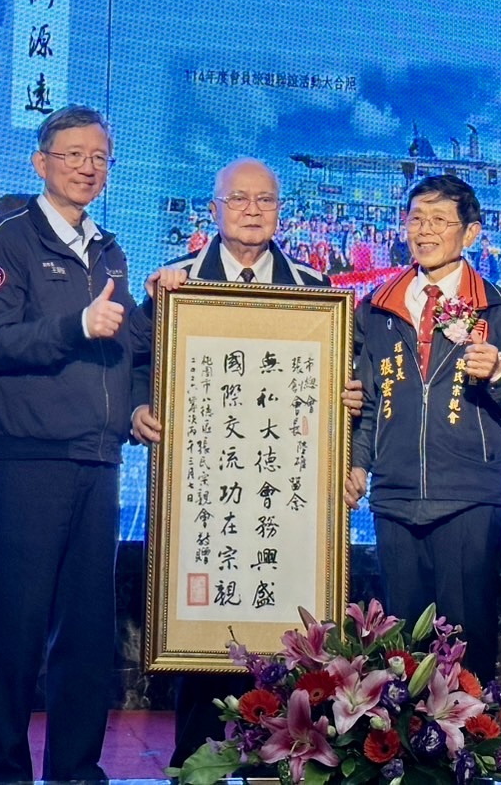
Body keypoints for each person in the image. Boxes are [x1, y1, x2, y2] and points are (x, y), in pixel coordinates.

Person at [0, 105, 151, 782]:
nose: (87, 167)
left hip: (97, 460)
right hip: (29, 460)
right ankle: (4, 773)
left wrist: (158, 311)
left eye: (99, 157)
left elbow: (128, 345)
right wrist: (77, 325)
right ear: (39, 162)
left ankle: (76, 769)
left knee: (85, 632)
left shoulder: (108, 249)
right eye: (73, 155)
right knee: (14, 631)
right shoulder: (7, 241)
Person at [131, 157, 329, 768]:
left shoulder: (313, 288)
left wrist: (343, 401)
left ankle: (282, 767)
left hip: (281, 489)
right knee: (203, 638)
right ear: (214, 209)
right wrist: (137, 407)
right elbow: (137, 360)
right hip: (203, 493)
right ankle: (197, 769)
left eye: (264, 200)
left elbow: (337, 382)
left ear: (280, 210)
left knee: (286, 640)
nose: (251, 210)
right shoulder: (175, 284)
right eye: (237, 199)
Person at [343, 174, 501, 684]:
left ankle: (471, 736)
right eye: (416, 219)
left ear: (471, 233)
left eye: (439, 220)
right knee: (401, 651)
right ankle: (405, 737)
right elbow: (367, 401)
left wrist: (499, 370)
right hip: (395, 497)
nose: (425, 231)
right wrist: (357, 464)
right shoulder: (375, 308)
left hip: (470, 496)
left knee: (466, 645)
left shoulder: (500, 308)